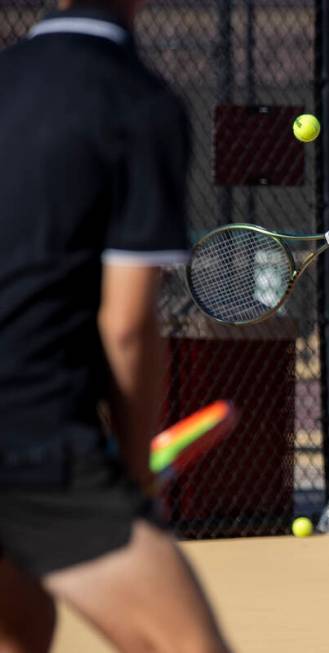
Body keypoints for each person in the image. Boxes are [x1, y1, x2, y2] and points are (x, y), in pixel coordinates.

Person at [0, 1, 231, 651]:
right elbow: (127, 325)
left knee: (22, 630)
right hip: (35, 437)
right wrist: (134, 479)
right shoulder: (140, 102)